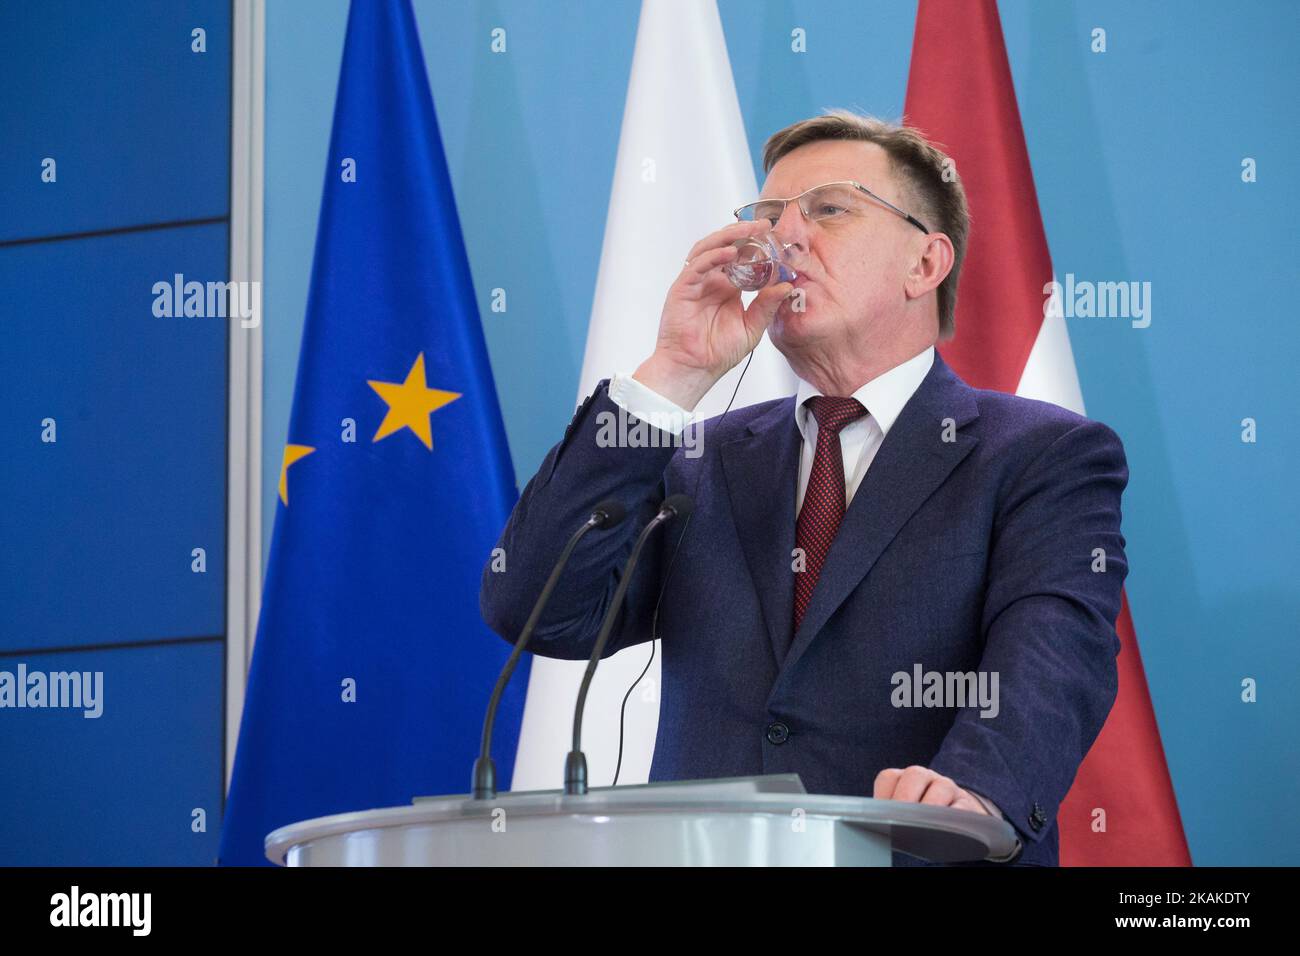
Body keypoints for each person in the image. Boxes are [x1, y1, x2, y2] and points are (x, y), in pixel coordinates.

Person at [480, 109, 1129, 866]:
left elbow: (1055, 653)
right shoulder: (701, 455)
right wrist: (675, 373)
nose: (781, 239)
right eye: (766, 216)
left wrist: (977, 793)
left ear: (926, 263)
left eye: (829, 209)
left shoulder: (1042, 455)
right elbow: (536, 609)